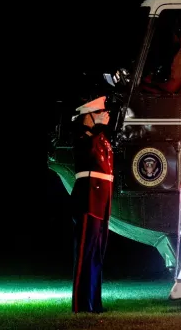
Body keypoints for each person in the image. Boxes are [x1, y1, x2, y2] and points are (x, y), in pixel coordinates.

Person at [71, 93, 114, 314]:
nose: (103, 115)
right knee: (85, 254)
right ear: (88, 115)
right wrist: (96, 129)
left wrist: (98, 130)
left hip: (101, 200)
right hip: (88, 198)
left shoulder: (99, 137)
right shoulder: (82, 135)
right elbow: (86, 152)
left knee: (97, 254)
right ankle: (80, 304)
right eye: (98, 112)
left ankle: (94, 303)